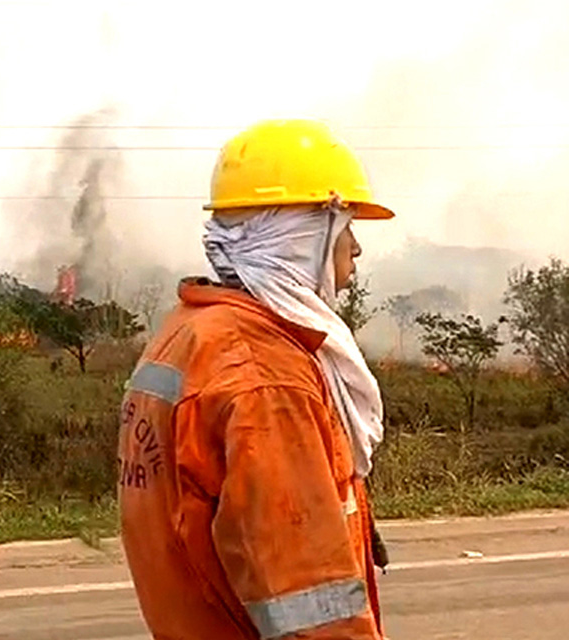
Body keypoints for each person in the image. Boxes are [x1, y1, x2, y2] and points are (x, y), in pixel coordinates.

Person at [118, 119, 391, 639]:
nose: (356, 248)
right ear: (301, 240)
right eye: (344, 226)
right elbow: (310, 606)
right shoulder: (266, 380)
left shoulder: (190, 331)